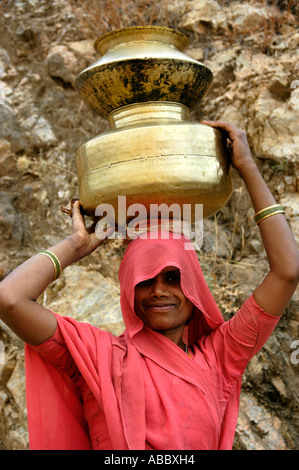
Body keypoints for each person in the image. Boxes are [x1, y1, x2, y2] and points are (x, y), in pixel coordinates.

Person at [0, 121, 298, 450]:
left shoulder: (220, 357)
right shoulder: (95, 356)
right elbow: (10, 298)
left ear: (194, 287)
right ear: (129, 288)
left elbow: (286, 272)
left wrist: (247, 167)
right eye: (145, 280)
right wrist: (76, 246)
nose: (158, 291)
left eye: (173, 277)